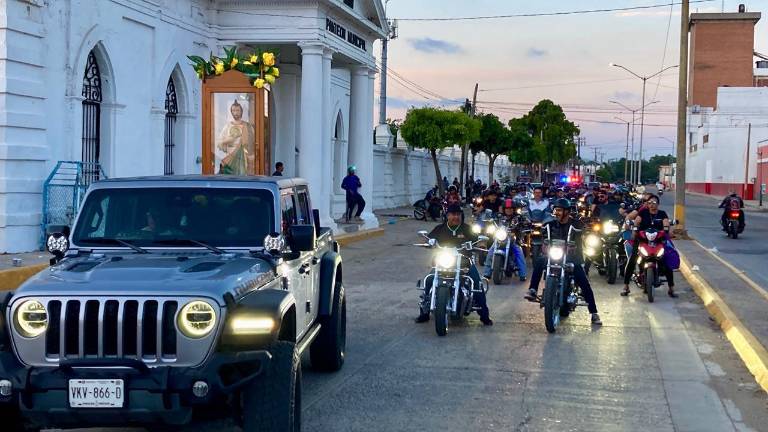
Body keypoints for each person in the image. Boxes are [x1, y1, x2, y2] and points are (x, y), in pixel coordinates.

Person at [524, 198, 602, 325]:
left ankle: (594, 312)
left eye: (559, 210)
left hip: (572, 257)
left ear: (567, 211)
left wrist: (588, 229)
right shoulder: (550, 224)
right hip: (554, 255)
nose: (557, 212)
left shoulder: (576, 224)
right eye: (556, 210)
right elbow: (542, 234)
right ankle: (532, 289)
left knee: (583, 281)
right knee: (539, 261)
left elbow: (585, 229)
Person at [415, 204, 493, 325]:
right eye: (453, 214)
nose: (456, 217)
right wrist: (427, 242)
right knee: (429, 281)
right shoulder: (439, 229)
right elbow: (427, 239)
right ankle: (424, 312)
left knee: (477, 284)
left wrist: (480, 244)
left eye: (458, 214)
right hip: (442, 263)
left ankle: (484, 315)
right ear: (447, 215)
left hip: (464, 263)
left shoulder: (467, 229)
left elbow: (479, 240)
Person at [621, 194, 676, 297]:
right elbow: (636, 222)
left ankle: (671, 288)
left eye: (654, 203)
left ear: (658, 204)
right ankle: (626, 286)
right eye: (649, 203)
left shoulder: (662, 213)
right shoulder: (643, 213)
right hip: (642, 240)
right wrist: (634, 231)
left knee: (666, 260)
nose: (652, 205)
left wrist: (667, 230)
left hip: (658, 241)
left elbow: (666, 223)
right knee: (632, 259)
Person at [484, 199, 527, 282]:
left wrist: (526, 224)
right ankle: (487, 273)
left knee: (519, 253)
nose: (509, 210)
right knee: (490, 252)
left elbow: (527, 222)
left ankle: (523, 274)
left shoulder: (519, 217)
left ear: (514, 209)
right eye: (507, 208)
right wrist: (489, 222)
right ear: (504, 209)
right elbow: (491, 221)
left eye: (511, 208)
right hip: (500, 238)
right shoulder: (499, 216)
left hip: (513, 239)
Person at [216, 100, 256, 175]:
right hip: (231, 155)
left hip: (244, 157)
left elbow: (253, 142)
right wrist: (230, 139)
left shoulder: (248, 126)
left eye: (237, 110)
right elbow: (219, 142)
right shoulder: (227, 126)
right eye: (233, 110)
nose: (236, 112)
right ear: (231, 112)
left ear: (241, 111)